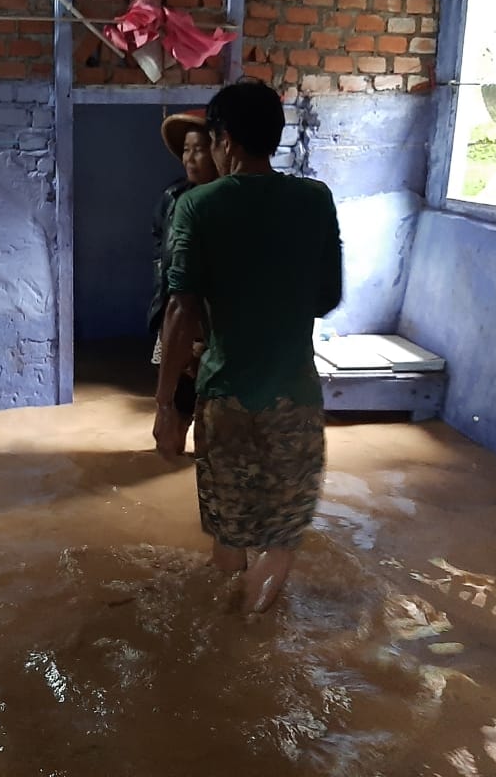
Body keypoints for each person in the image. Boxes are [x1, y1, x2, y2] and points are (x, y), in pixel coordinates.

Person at [152, 80, 343, 615]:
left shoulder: (197, 206)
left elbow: (180, 310)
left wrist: (168, 405)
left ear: (226, 140)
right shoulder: (314, 200)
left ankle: (221, 645)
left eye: (210, 140)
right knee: (282, 536)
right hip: (294, 399)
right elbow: (326, 298)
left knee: (228, 531)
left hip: (225, 399)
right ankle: (254, 626)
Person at [148, 109, 219, 446]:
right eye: (186, 150)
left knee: (212, 423)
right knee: (171, 418)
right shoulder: (173, 197)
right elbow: (160, 252)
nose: (190, 157)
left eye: (199, 149)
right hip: (175, 319)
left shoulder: (227, 205)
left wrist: (200, 338)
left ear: (220, 150)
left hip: (213, 331)